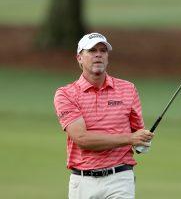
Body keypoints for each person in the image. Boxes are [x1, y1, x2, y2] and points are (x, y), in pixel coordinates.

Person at [53, 32, 154, 199]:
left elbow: (137, 137)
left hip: (120, 178)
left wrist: (142, 141)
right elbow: (82, 139)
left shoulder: (128, 89)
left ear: (107, 57)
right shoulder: (66, 94)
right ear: (79, 57)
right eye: (92, 51)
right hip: (83, 181)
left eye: (103, 50)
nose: (98, 54)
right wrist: (131, 139)